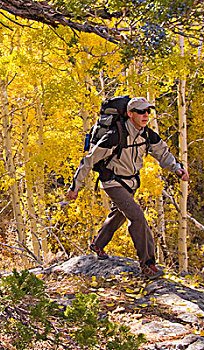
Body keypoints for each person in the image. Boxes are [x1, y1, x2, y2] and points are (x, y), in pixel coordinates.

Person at [67, 97, 189, 279]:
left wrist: (177, 168)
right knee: (138, 217)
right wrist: (75, 187)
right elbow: (89, 160)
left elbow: (162, 153)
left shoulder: (147, 134)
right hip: (112, 182)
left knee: (120, 214)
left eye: (148, 111)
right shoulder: (115, 135)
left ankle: (98, 243)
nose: (145, 115)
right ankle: (147, 265)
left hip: (131, 182)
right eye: (141, 112)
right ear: (130, 114)